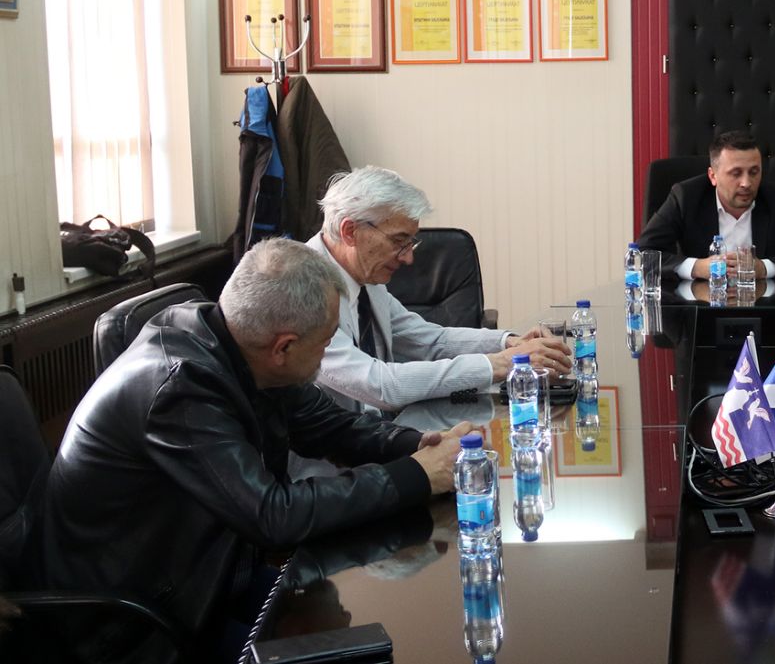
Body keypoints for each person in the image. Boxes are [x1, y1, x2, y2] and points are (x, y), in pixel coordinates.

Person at [32, 239, 468, 659]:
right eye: (325, 341)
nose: (327, 354)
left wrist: (422, 445)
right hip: (138, 627)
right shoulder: (179, 389)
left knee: (369, 630)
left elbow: (331, 426)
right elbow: (274, 515)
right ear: (284, 347)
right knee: (360, 648)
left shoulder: (241, 343)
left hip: (212, 576)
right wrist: (417, 474)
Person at [308, 166, 570, 412]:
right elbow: (380, 385)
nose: (408, 258)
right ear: (350, 231)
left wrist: (509, 342)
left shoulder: (365, 276)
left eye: (410, 243)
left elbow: (430, 341)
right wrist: (504, 362)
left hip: (379, 432)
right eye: (399, 241)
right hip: (334, 445)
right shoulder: (302, 288)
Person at [636, 130, 775, 282]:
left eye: (754, 172)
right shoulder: (686, 197)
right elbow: (642, 255)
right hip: (701, 310)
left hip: (766, 310)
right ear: (713, 176)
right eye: (736, 173)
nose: (746, 183)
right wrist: (697, 268)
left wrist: (763, 268)